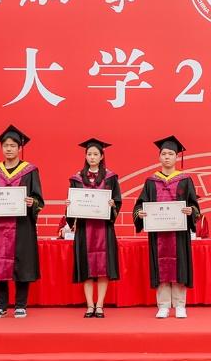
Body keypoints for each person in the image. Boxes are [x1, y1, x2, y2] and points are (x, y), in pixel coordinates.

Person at [135, 135, 200, 318]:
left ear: (176, 157)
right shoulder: (151, 181)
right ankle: (163, 305)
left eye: (170, 154)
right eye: (164, 154)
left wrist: (191, 211)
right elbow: (140, 204)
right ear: (159, 157)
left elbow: (194, 205)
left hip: (178, 232)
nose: (167, 157)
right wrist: (140, 213)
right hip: (158, 234)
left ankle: (180, 305)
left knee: (180, 265)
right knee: (161, 265)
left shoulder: (185, 180)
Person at [0, 125, 42, 319]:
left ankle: (20, 305)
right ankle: (0, 305)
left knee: (22, 263)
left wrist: (33, 202)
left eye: (13, 145)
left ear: (19, 148)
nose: (8, 149)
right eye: (5, 145)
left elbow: (39, 199)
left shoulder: (30, 171)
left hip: (22, 226)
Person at [69, 138, 122, 318]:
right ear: (85, 156)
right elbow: (73, 205)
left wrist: (113, 205)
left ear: (101, 156)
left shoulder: (110, 178)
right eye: (89, 154)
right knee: (86, 268)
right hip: (84, 228)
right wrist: (70, 206)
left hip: (103, 229)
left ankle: (99, 305)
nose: (92, 157)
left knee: (103, 268)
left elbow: (117, 201)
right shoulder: (77, 178)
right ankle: (89, 305)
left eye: (95, 154)